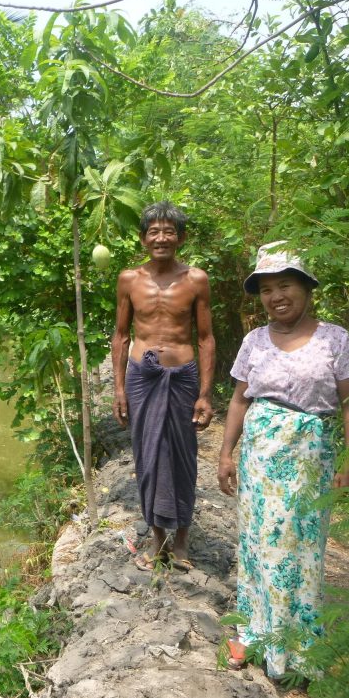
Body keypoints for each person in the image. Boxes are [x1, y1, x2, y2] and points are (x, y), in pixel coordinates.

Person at [217, 242, 349, 678]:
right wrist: (226, 453)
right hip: (260, 457)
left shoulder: (336, 339)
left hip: (308, 458)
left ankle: (298, 649)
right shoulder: (254, 341)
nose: (276, 296)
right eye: (266, 289)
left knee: (300, 548)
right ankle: (257, 634)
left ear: (306, 288)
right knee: (259, 544)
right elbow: (240, 400)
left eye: (285, 285)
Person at [112, 202, 216, 573]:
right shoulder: (129, 279)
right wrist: (119, 389)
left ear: (181, 238)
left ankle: (183, 540)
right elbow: (122, 336)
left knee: (183, 456)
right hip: (143, 375)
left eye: (169, 231)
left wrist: (205, 393)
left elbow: (205, 338)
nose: (161, 238)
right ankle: (157, 539)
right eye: (154, 231)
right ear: (143, 239)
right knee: (148, 454)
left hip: (183, 374)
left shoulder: (196, 280)